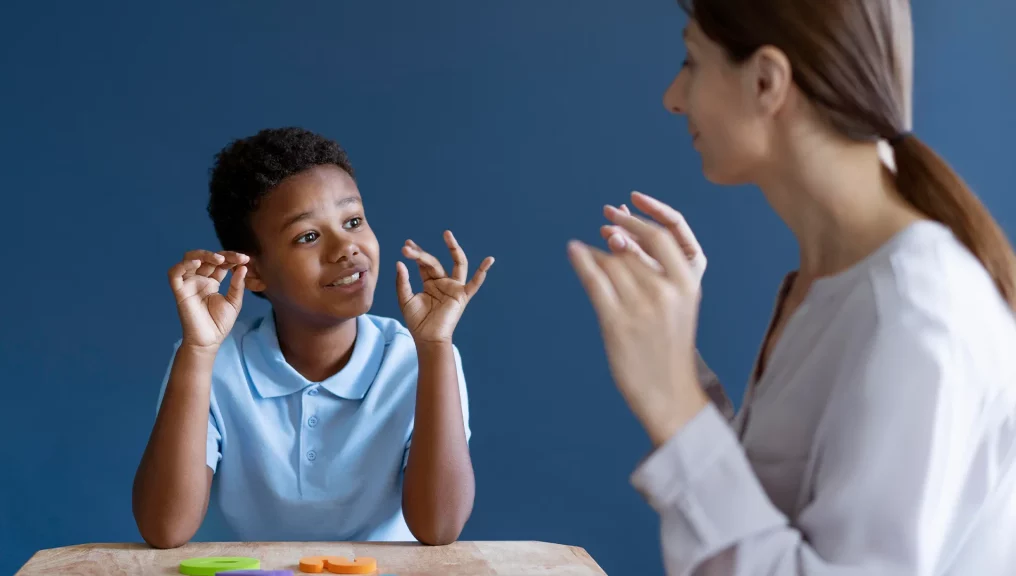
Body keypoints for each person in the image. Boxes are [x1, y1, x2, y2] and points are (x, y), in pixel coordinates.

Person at [568, 1, 1016, 574]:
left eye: (692, 62)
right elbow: (775, 520)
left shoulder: (912, 315)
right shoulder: (834, 286)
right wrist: (675, 364)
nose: (673, 97)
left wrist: (674, 404)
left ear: (765, 81)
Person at [132, 127, 493, 548]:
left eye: (353, 221)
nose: (346, 248)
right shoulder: (210, 362)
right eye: (308, 236)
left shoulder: (418, 356)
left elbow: (439, 527)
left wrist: (435, 349)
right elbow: (164, 529)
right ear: (255, 273)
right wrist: (197, 350)